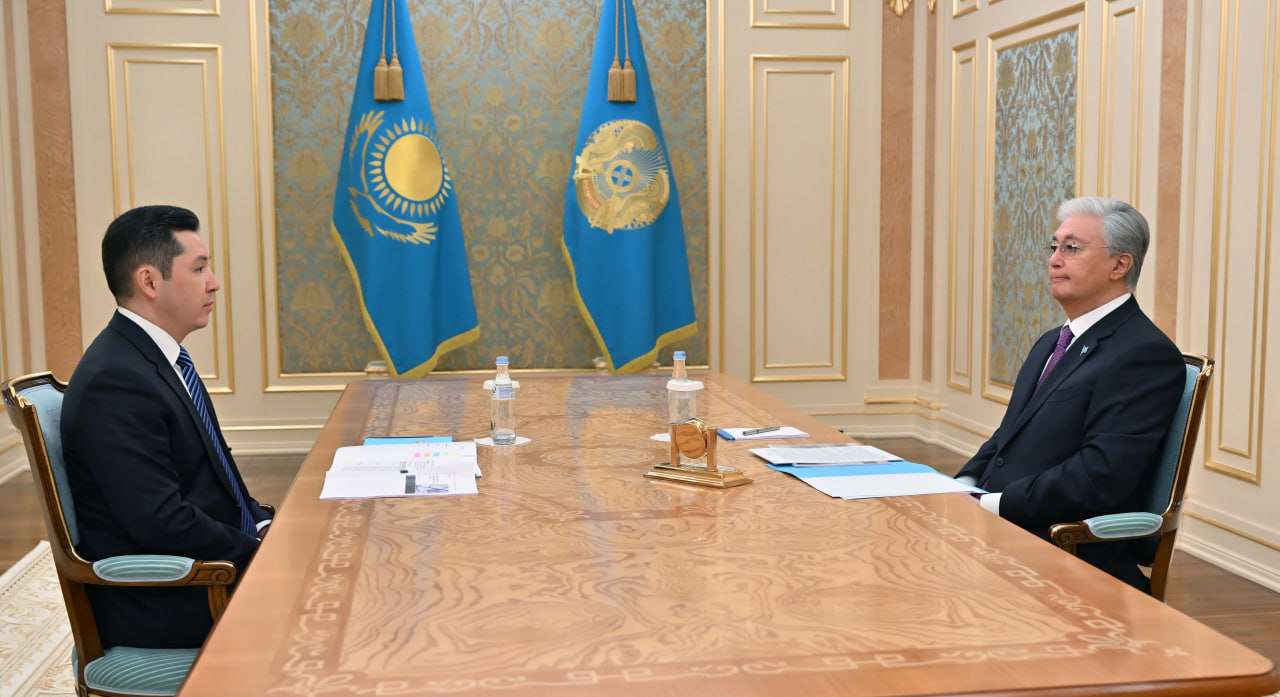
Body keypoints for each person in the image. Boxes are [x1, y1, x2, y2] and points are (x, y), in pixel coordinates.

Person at [61, 205, 273, 648]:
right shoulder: (115, 381)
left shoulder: (154, 358)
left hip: (205, 569)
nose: (213, 282)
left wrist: (261, 523)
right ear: (150, 282)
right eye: (199, 268)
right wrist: (259, 554)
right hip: (173, 599)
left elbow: (212, 481)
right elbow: (162, 521)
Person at [955, 197, 1184, 591]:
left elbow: (1098, 477)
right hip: (1006, 529)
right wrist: (961, 484)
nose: (1054, 260)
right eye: (1054, 246)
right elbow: (1007, 437)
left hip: (1064, 552)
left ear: (1119, 265)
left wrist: (990, 503)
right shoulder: (1052, 341)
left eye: (1072, 248)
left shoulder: (1143, 354)